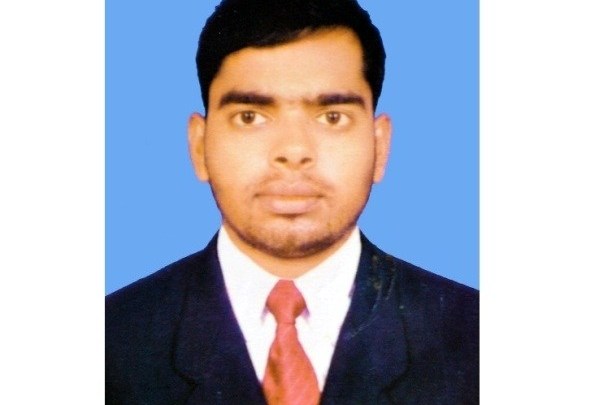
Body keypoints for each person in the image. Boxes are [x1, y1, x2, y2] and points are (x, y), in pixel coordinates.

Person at [105, 0, 479, 403]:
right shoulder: (109, 342)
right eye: (250, 116)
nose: (293, 151)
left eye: (331, 117)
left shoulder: (475, 336)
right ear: (199, 146)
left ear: (380, 146)